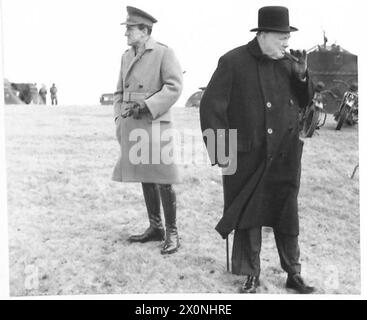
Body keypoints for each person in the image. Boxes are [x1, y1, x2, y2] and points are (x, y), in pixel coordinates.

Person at [200, 6, 315, 294]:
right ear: (262, 34)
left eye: (288, 37)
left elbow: (305, 101)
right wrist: (221, 151)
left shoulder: (290, 63)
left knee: (286, 213)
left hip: (285, 155)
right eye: (281, 37)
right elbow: (211, 107)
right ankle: (250, 274)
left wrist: (303, 78)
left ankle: (294, 273)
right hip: (248, 154)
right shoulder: (233, 61)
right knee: (249, 215)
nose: (287, 43)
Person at [112, 6, 183, 254]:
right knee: (144, 175)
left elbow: (174, 87)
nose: (126, 34)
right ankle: (156, 228)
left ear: (144, 30)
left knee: (163, 179)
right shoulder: (125, 56)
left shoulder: (164, 53)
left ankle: (172, 232)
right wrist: (118, 119)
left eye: (130, 29)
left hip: (155, 121)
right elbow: (119, 91)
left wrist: (148, 105)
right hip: (131, 123)